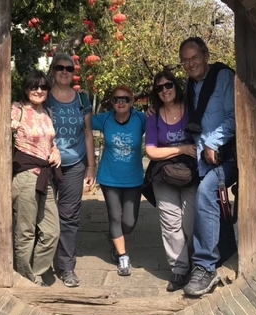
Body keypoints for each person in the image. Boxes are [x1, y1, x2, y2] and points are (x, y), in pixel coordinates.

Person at [179, 37, 238, 297]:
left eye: (194, 57)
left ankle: (204, 267)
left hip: (229, 155)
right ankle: (226, 255)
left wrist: (214, 142)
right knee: (210, 205)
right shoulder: (190, 87)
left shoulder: (223, 77)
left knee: (205, 195)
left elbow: (234, 116)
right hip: (204, 159)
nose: (190, 63)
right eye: (185, 60)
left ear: (205, 55)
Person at [46, 53, 97, 287]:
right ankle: (41, 264)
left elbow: (87, 134)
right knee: (43, 215)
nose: (64, 72)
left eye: (69, 68)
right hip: (46, 164)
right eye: (60, 68)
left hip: (74, 165)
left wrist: (91, 167)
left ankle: (67, 267)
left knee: (69, 218)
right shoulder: (44, 96)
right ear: (53, 70)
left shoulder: (82, 99)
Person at [145, 70, 198, 292]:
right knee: (171, 224)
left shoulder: (190, 107)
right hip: (164, 175)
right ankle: (178, 269)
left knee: (190, 222)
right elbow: (151, 152)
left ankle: (196, 265)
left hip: (189, 173)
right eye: (160, 87)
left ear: (176, 86)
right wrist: (182, 148)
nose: (165, 90)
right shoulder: (154, 116)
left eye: (168, 85)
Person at [10, 70, 62, 286]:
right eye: (34, 87)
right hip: (26, 177)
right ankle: (26, 278)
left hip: (45, 177)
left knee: (51, 231)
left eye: (43, 87)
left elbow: (49, 141)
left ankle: (37, 271)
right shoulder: (16, 110)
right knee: (26, 232)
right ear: (26, 89)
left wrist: (56, 150)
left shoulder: (47, 112)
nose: (39, 91)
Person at [92, 86, 147, 276]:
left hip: (133, 179)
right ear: (112, 102)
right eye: (116, 99)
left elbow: (160, 126)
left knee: (129, 222)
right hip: (109, 178)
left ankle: (116, 237)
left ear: (132, 101)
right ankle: (122, 256)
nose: (120, 102)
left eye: (125, 99)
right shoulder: (105, 119)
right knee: (115, 217)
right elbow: (82, 123)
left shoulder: (141, 119)